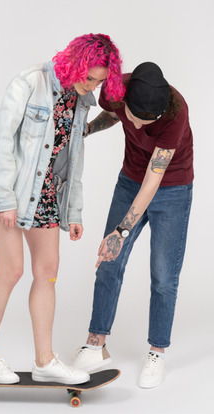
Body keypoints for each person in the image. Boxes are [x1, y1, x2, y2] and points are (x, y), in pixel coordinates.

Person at [0, 34, 124, 385]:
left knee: (48, 271)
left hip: (47, 196)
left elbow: (73, 159)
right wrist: (7, 200)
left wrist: (73, 211)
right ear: (74, 61)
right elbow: (1, 141)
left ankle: (45, 361)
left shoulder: (81, 98)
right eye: (89, 77)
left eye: (100, 81)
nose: (92, 86)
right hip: (6, 191)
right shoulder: (30, 82)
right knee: (11, 270)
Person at [72, 62, 193, 388]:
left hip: (172, 188)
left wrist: (121, 232)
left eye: (148, 122)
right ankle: (96, 343)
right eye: (137, 118)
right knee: (108, 263)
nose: (140, 126)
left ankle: (156, 352)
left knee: (164, 276)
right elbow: (113, 116)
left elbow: (154, 179)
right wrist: (86, 130)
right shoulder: (114, 92)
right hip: (129, 181)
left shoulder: (174, 114)